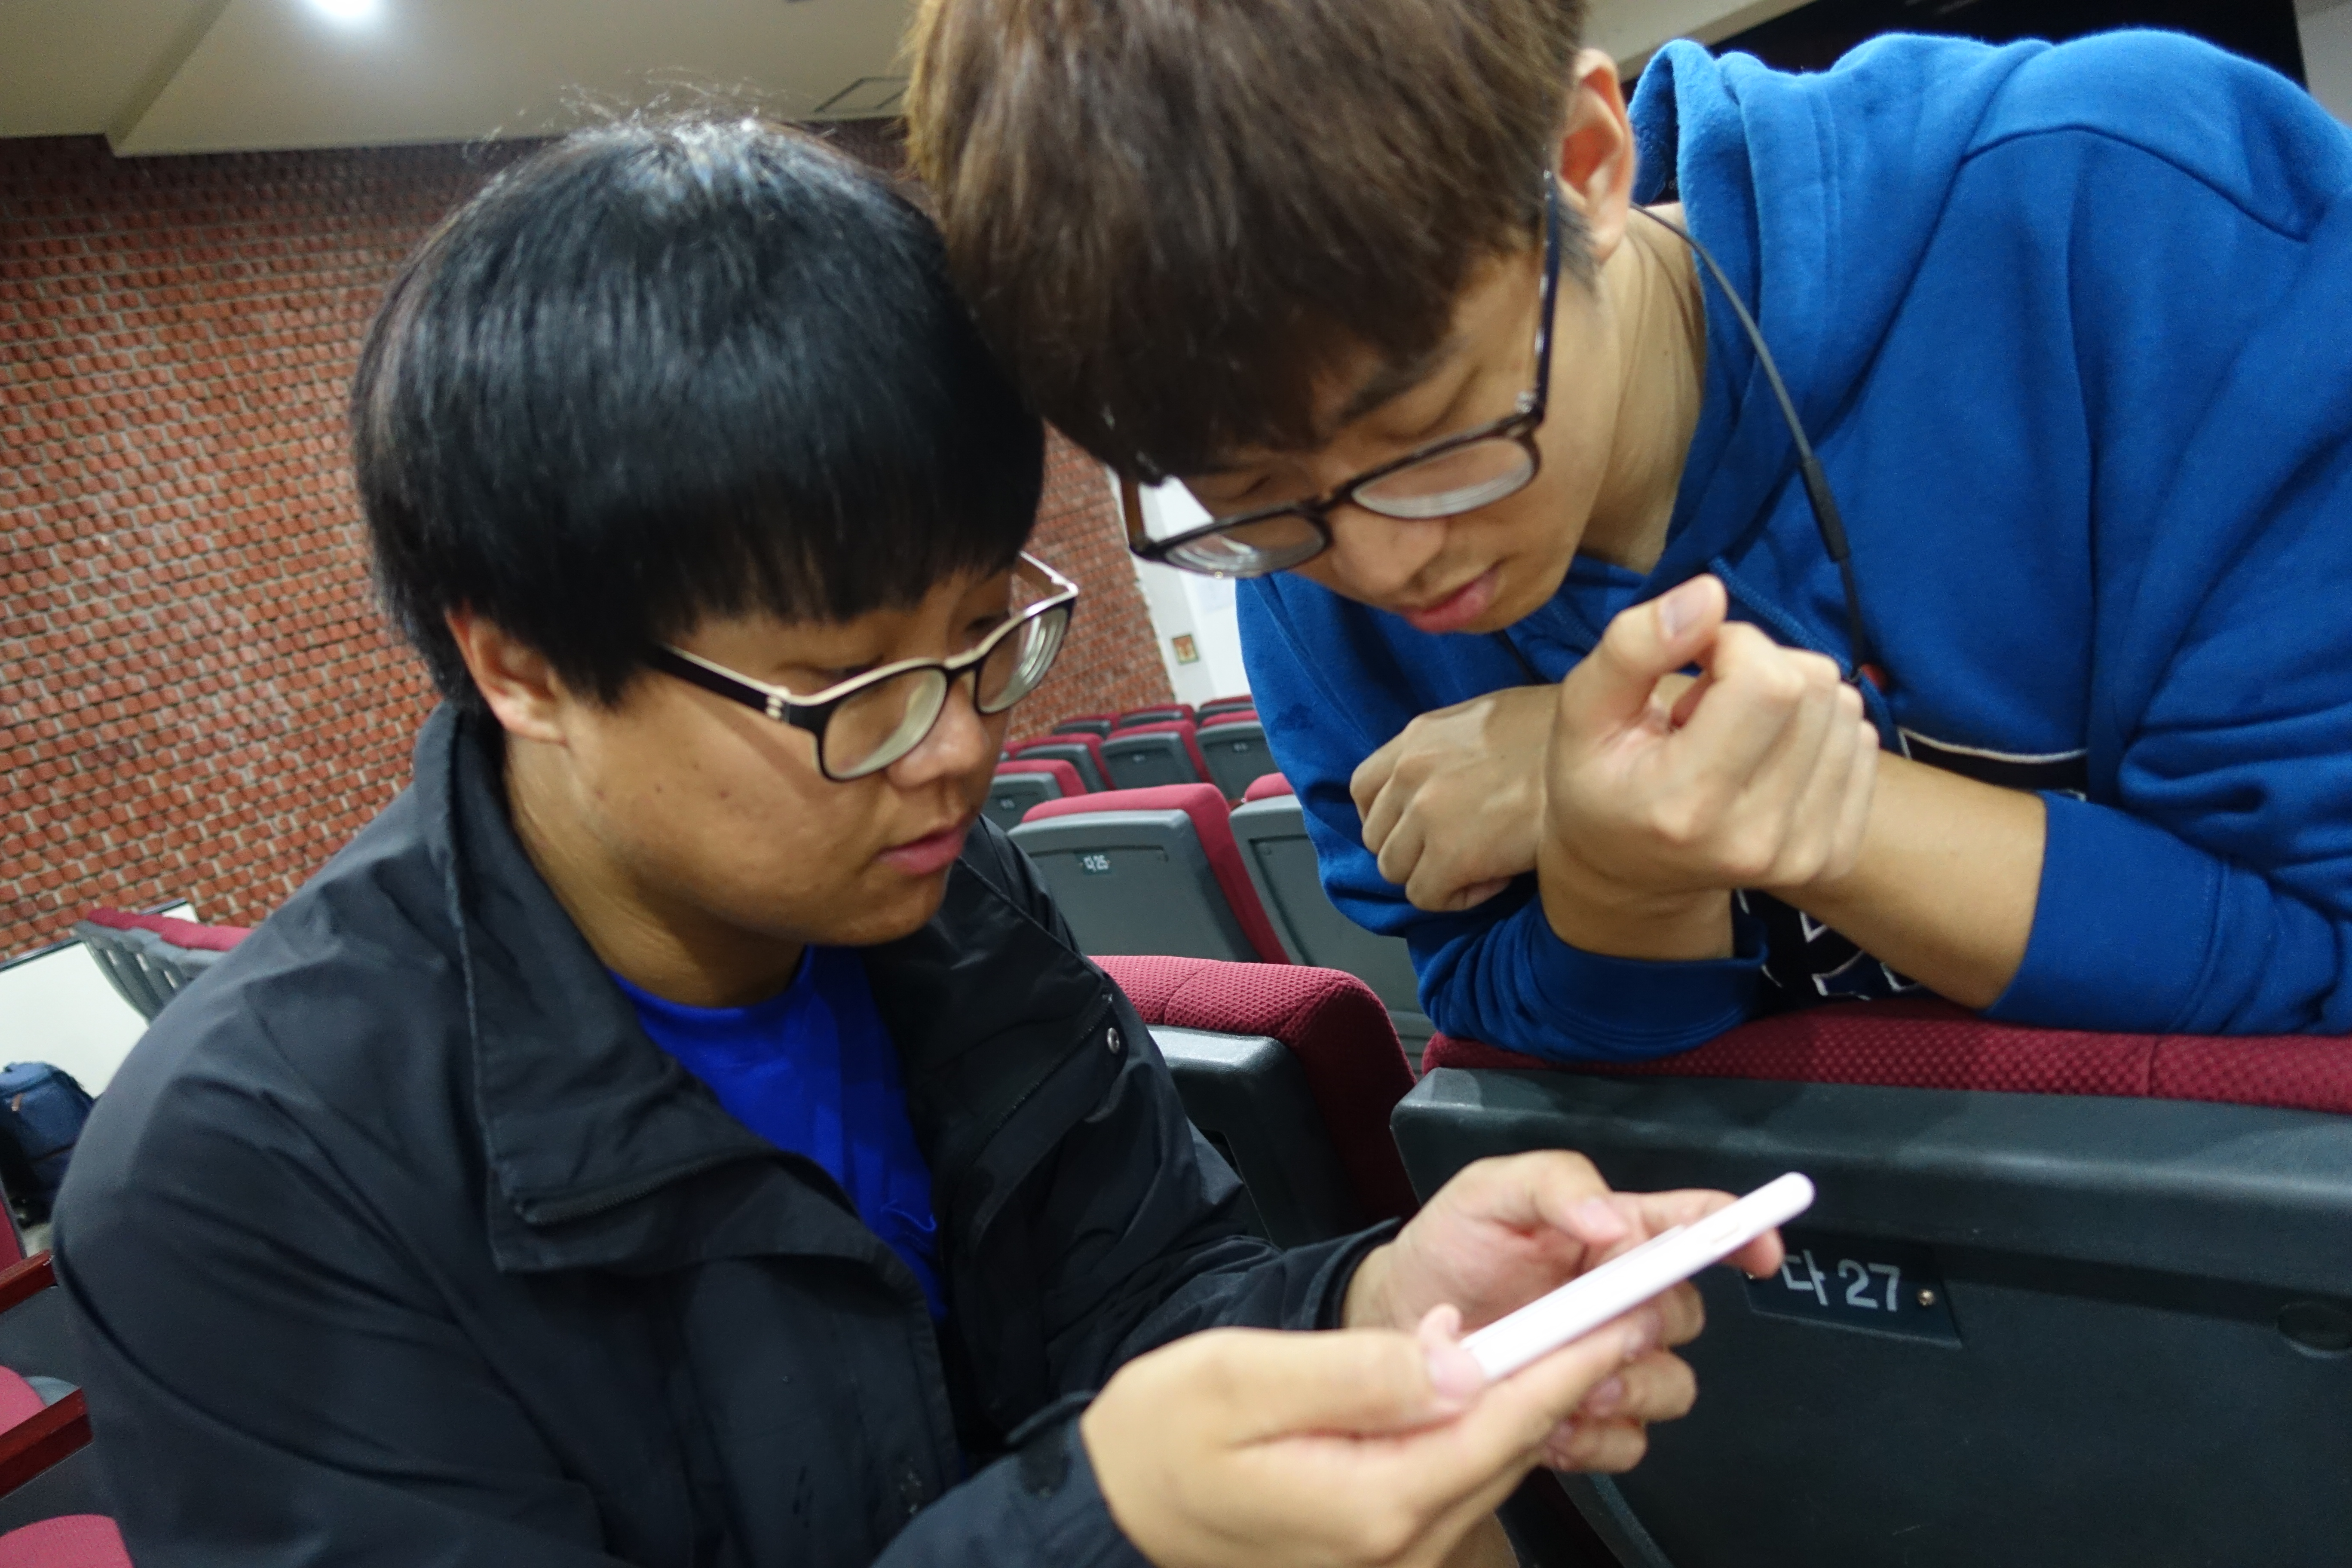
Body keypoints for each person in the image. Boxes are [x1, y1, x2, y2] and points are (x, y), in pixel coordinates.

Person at [55, 119, 1779, 1567]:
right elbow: (1104, 1481)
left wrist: (1380, 1304)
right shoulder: (248, 1180)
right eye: (846, 690)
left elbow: (1153, 1301)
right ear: (524, 667)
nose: (957, 749)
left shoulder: (940, 903)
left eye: (978, 638)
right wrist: (1102, 1525)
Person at [903, 1, 2352, 1062]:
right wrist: (1620, 870)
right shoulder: (1304, 564)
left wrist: (1727, 787)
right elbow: (1515, 1025)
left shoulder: (2143, 217)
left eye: (1431, 431)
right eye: (1247, 494)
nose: (1386, 569)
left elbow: (2320, 951)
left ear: (1587, 160)